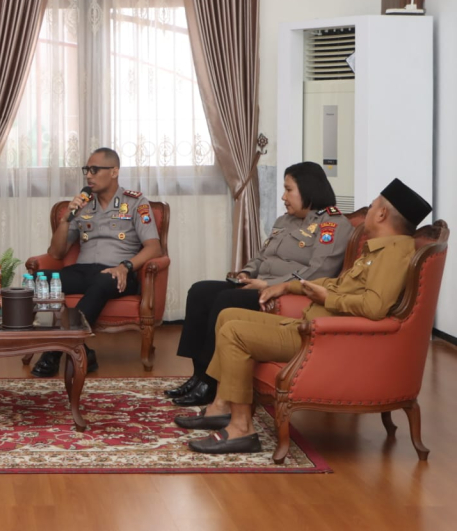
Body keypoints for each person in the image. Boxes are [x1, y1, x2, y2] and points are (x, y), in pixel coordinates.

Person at [177, 178, 431, 454]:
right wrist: (289, 286)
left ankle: (241, 429)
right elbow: (335, 284)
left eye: (372, 207)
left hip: (323, 337)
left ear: (381, 214)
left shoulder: (392, 254)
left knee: (234, 331)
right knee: (227, 316)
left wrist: (327, 298)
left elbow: (374, 307)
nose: (367, 211)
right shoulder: (378, 249)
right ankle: (222, 406)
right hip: (312, 324)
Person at [167, 162, 353, 406]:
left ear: (308, 189)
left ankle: (211, 383)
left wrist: (267, 284)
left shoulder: (332, 224)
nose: (283, 197)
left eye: (289, 190)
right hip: (260, 284)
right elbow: (262, 256)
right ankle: (199, 374)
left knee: (226, 300)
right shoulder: (285, 220)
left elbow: (317, 272)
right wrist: (246, 273)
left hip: (286, 294)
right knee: (200, 291)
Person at [31, 147, 163, 377]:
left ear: (114, 172)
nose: (88, 176)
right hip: (83, 271)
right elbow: (56, 253)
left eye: (94, 170)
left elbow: (154, 247)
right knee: (38, 281)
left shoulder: (135, 202)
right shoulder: (83, 205)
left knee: (102, 281)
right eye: (86, 170)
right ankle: (84, 351)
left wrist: (125, 267)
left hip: (116, 274)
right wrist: (66, 219)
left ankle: (54, 352)